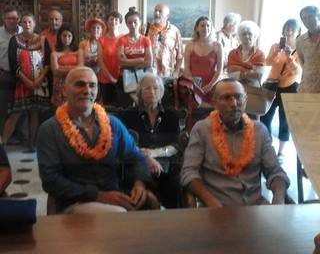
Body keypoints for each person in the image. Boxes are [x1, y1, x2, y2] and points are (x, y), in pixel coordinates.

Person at [37, 66, 152, 214]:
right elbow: (51, 180)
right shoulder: (49, 130)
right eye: (80, 84)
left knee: (158, 218)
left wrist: (139, 183)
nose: (87, 90)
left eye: (92, 85)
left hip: (116, 199)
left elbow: (135, 157)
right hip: (73, 204)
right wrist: (98, 196)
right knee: (119, 215)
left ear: (97, 91)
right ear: (65, 90)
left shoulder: (112, 124)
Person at [180, 78, 290, 207]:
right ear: (215, 102)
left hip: (255, 209)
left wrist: (279, 198)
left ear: (246, 100)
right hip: (218, 210)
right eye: (226, 98)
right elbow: (189, 172)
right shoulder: (202, 130)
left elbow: (275, 172)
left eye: (238, 97)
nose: (233, 103)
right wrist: (210, 201)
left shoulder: (259, 130)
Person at [120, 73, 184, 208]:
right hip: (136, 162)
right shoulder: (129, 115)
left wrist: (155, 153)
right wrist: (147, 158)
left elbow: (176, 145)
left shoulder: (171, 115)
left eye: (156, 88)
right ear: (140, 92)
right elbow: (125, 143)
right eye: (147, 88)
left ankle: (170, 217)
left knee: (175, 183)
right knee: (135, 177)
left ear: (161, 92)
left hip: (166, 164)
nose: (152, 92)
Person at [2, 12, 51, 151]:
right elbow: (13, 63)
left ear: (34, 23)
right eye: (24, 22)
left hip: (40, 83)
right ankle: (3, 143)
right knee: (15, 113)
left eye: (30, 22)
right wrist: (27, 81)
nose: (27, 25)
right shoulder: (15, 40)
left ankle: (31, 142)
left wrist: (39, 80)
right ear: (21, 24)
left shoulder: (42, 40)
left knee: (35, 112)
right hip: (22, 83)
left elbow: (47, 62)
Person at [260, 19, 302, 161]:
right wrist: (277, 52)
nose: (289, 32)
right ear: (283, 31)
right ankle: (268, 148)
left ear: (298, 32)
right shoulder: (275, 46)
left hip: (290, 87)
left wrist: (290, 57)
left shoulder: (301, 50)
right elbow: (267, 63)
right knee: (265, 117)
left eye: (292, 30)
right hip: (272, 85)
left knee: (285, 121)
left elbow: (298, 72)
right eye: (287, 29)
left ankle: (281, 152)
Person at [117, 7, 153, 107]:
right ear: (126, 23)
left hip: (143, 77)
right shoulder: (122, 40)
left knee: (144, 105)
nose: (133, 25)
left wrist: (128, 61)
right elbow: (120, 61)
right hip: (125, 77)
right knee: (126, 107)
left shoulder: (146, 40)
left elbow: (149, 62)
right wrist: (140, 59)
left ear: (140, 22)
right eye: (129, 23)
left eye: (135, 22)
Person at [183, 16, 223, 103]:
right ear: (197, 28)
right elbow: (187, 68)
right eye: (203, 26)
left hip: (212, 86)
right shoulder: (190, 44)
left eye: (208, 26)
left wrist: (210, 86)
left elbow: (220, 69)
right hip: (193, 86)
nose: (206, 28)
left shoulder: (217, 45)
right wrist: (195, 85)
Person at [141, 3, 183, 77]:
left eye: (160, 11)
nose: (157, 13)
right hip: (148, 74)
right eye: (155, 11)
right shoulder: (145, 29)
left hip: (168, 74)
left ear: (167, 16)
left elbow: (179, 55)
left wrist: (176, 73)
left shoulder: (174, 31)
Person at [0, 6, 23, 137]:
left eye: (14, 18)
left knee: (21, 108)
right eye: (9, 18)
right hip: (4, 74)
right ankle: (1, 142)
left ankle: (20, 136)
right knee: (1, 108)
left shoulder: (25, 32)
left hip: (21, 76)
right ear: (4, 19)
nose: (12, 21)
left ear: (18, 19)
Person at [50, 23, 84, 109]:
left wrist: (62, 68)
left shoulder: (79, 52)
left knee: (75, 109)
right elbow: (55, 71)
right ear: (60, 37)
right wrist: (74, 67)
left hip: (75, 83)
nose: (66, 38)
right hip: (59, 85)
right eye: (64, 36)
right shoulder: (55, 53)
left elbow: (80, 69)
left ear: (73, 37)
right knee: (60, 111)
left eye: (69, 36)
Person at [228, 20, 265, 86]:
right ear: (239, 36)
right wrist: (249, 72)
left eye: (250, 34)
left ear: (255, 36)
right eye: (244, 34)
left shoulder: (260, 54)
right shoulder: (232, 53)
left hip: (253, 89)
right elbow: (230, 74)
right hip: (235, 88)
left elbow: (258, 76)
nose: (247, 36)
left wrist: (237, 69)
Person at [97, 11, 123, 107]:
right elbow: (100, 61)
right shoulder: (101, 39)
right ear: (107, 23)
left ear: (120, 23)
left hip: (122, 78)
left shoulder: (124, 38)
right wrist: (111, 78)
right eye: (111, 19)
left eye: (116, 20)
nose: (114, 21)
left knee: (121, 106)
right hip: (105, 78)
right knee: (107, 108)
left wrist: (117, 78)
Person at [296, 5, 320, 93]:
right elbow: (302, 62)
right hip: (306, 89)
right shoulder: (300, 40)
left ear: (318, 16)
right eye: (304, 18)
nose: (307, 20)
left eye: (310, 16)